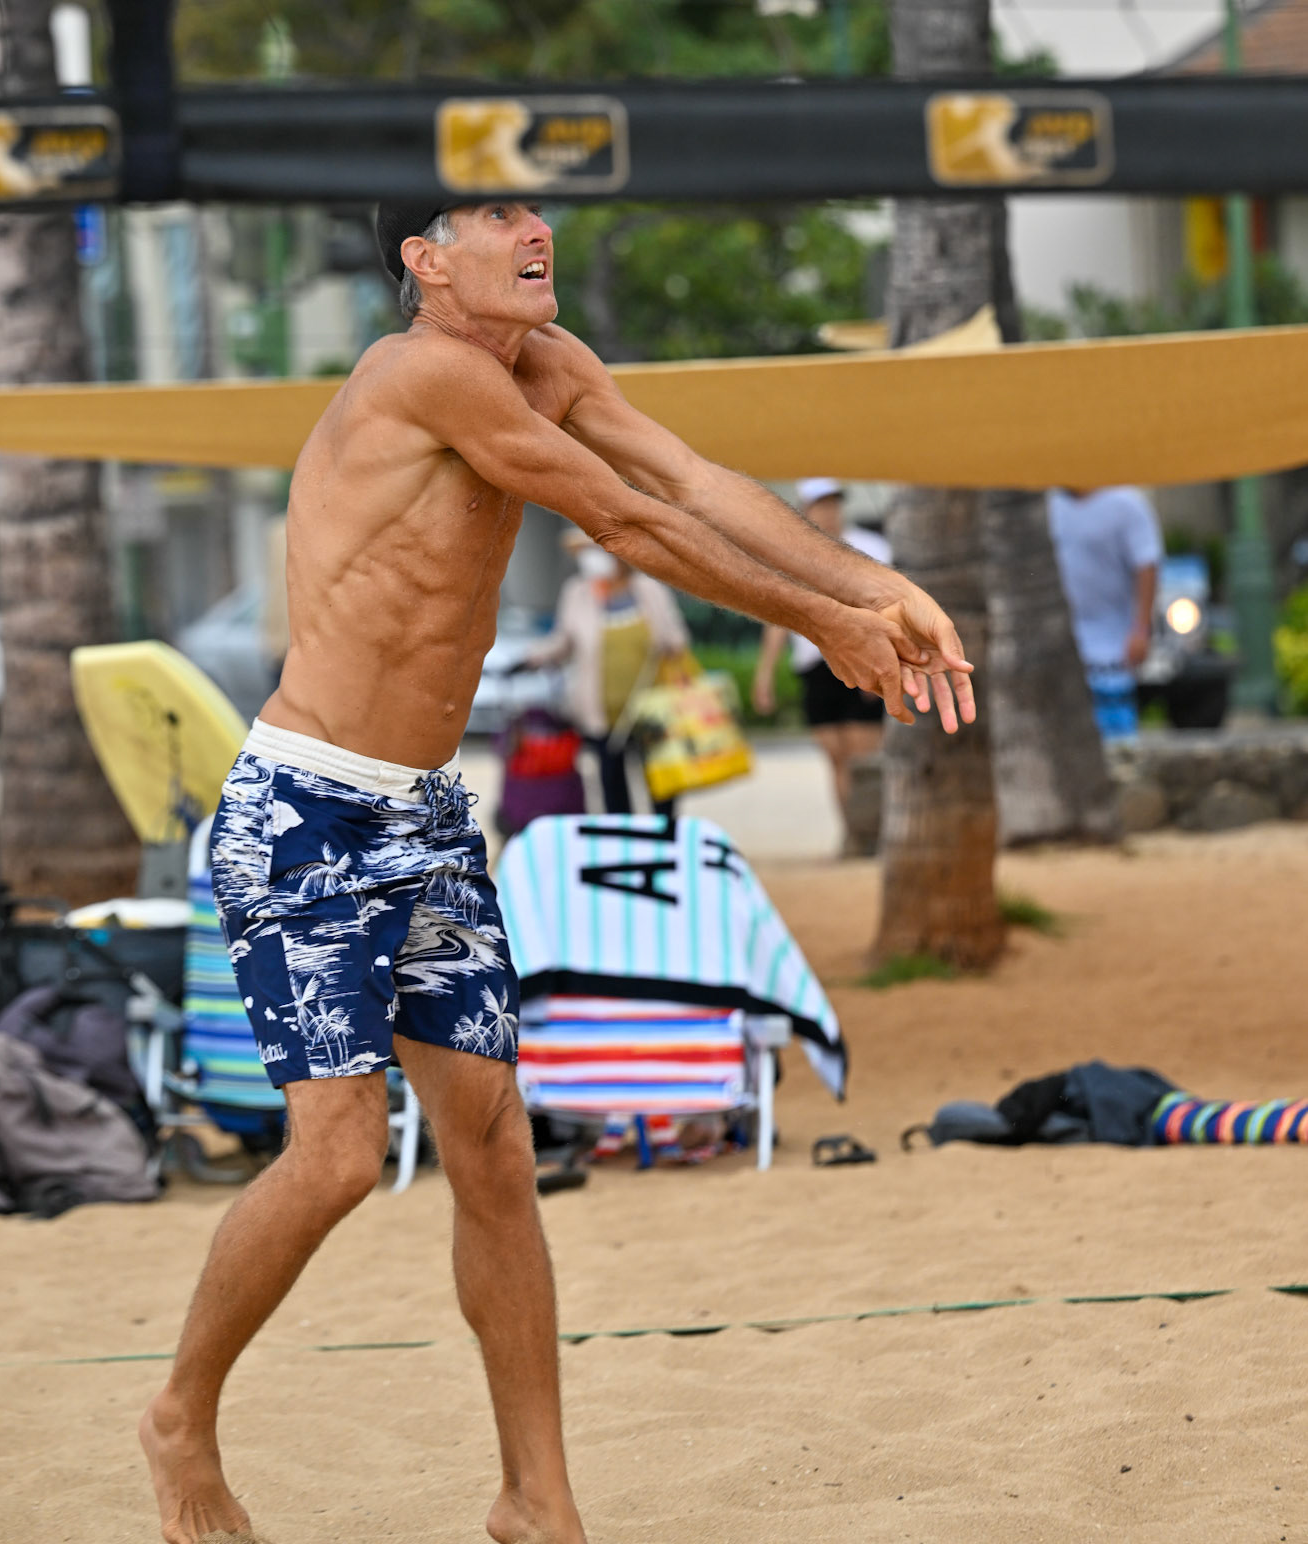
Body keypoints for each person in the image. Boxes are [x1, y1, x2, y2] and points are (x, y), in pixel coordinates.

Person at [140, 195, 976, 1544]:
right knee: (341, 1159)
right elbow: (621, 522)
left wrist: (866, 586)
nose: (534, 231)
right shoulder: (422, 377)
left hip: (423, 819)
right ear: (423, 258)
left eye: (536, 209)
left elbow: (689, 482)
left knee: (495, 1153)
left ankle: (540, 1502)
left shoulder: (551, 361)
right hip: (303, 817)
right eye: (492, 215)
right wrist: (826, 624)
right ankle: (182, 1413)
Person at [752, 479, 891, 857]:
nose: (829, 511)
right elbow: (777, 618)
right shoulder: (788, 554)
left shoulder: (872, 548)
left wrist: (878, 668)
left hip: (860, 661)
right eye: (820, 503)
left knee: (864, 754)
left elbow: (886, 610)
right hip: (815, 666)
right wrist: (764, 674)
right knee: (835, 756)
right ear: (806, 508)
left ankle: (873, 834)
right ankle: (853, 834)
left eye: (833, 502)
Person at [520, 531, 688, 820]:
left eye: (596, 551)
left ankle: (665, 848)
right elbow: (563, 642)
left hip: (653, 710)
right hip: (602, 715)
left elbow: (676, 639)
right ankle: (625, 850)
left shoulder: (648, 590)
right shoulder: (577, 593)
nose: (590, 559)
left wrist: (669, 645)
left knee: (662, 786)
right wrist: (533, 656)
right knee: (612, 786)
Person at [1047, 484, 1163, 738]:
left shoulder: (1126, 504)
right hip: (1064, 642)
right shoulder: (1050, 505)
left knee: (1115, 738)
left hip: (1113, 647)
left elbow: (1147, 565)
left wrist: (1141, 629)